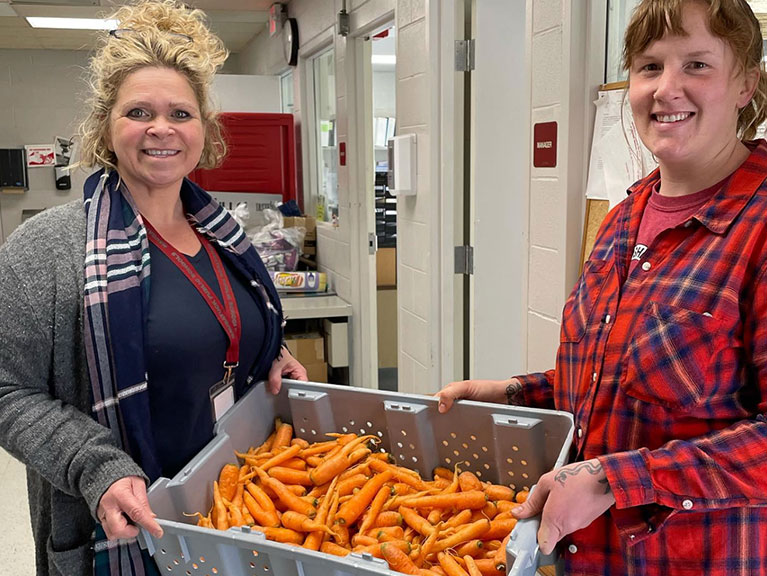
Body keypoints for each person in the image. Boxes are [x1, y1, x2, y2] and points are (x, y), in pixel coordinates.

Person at [437, 0, 767, 574]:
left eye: (696, 65)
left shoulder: (758, 229)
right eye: (649, 66)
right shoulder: (625, 217)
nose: (666, 89)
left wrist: (616, 480)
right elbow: (616, 383)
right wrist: (517, 393)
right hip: (585, 555)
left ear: (746, 84)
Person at [0, 1, 307, 575]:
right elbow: (6, 390)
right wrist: (95, 465)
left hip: (239, 509)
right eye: (138, 111)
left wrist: (272, 354)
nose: (161, 128)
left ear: (203, 132)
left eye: (181, 114)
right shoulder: (45, 251)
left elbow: (215, 332)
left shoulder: (224, 234)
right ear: (106, 128)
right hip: (123, 529)